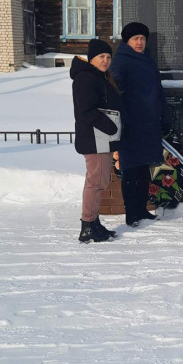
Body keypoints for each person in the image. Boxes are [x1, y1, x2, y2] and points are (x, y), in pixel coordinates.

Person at [111, 22, 172, 226]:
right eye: (135, 38)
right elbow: (115, 95)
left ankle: (142, 209)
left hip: (148, 124)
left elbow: (158, 93)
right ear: (127, 41)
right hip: (130, 125)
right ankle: (131, 212)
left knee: (144, 168)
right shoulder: (120, 62)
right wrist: (122, 121)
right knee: (130, 169)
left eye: (143, 39)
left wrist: (164, 118)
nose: (140, 42)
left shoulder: (148, 61)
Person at [70, 39, 122, 243]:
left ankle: (93, 223)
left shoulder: (98, 77)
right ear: (92, 59)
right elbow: (85, 111)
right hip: (95, 138)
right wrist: (110, 126)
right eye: (101, 57)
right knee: (95, 182)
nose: (105, 60)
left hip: (100, 138)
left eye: (108, 57)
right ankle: (87, 226)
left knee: (99, 182)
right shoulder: (85, 78)